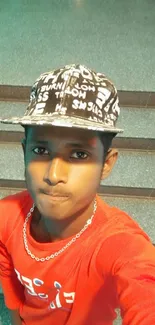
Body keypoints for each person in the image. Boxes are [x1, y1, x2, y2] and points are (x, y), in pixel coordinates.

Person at [0, 64, 155, 325]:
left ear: (106, 163)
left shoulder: (119, 243)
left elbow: (143, 285)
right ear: (24, 150)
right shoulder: (7, 216)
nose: (54, 174)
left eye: (79, 154)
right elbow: (10, 283)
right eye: (40, 151)